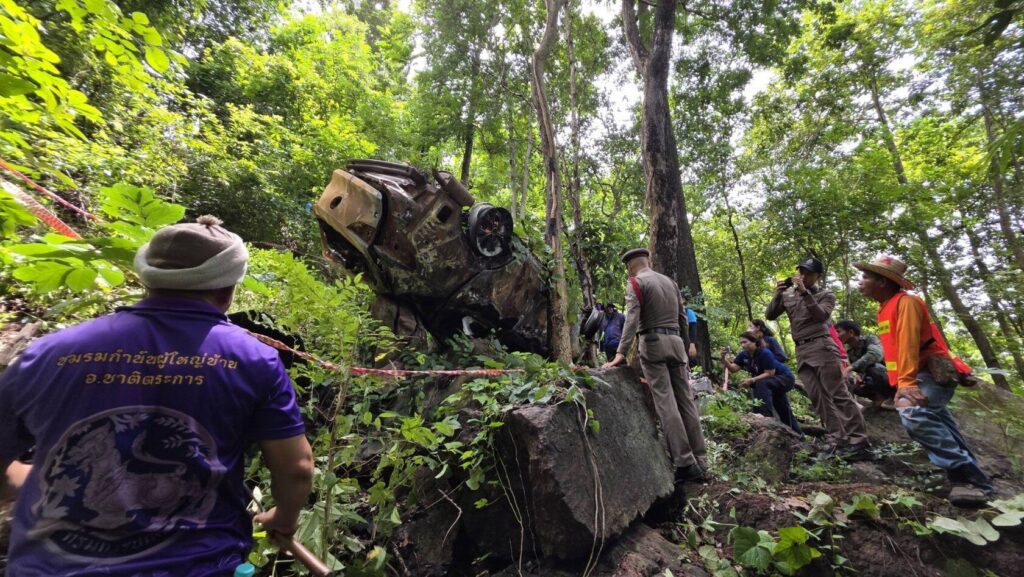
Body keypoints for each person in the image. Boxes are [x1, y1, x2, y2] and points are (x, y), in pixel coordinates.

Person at [0, 216, 315, 574]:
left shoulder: (48, 352)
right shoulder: (253, 359)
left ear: (145, 278)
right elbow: (297, 469)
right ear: (229, 289)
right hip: (195, 565)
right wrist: (284, 519)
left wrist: (23, 479)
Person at [855, 256, 993, 506]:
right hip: (915, 375)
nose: (860, 282)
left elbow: (909, 343)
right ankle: (978, 482)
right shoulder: (885, 305)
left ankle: (962, 475)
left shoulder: (906, 302)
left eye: (865, 277)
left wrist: (907, 384)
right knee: (941, 421)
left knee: (913, 412)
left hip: (928, 372)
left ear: (883, 282)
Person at [602, 248, 707, 483]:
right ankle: (701, 460)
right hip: (676, 344)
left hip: (652, 344)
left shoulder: (636, 282)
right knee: (686, 401)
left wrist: (620, 352)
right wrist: (685, 346)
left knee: (665, 402)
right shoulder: (670, 282)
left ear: (629, 266)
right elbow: (682, 318)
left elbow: (631, 319)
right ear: (648, 260)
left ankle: (684, 462)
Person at [766, 257, 870, 460]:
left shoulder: (826, 295)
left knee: (838, 394)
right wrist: (777, 295)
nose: (803, 276)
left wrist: (805, 293)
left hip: (822, 346)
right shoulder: (789, 296)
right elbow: (770, 316)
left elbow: (821, 316)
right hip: (802, 350)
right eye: (801, 272)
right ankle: (837, 439)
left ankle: (859, 440)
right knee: (818, 398)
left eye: (808, 273)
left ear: (817, 276)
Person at [720, 332, 802, 434]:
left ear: (755, 342)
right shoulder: (743, 355)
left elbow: (770, 373)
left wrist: (752, 380)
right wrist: (723, 358)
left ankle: (765, 420)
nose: (743, 345)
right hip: (771, 383)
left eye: (745, 342)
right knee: (782, 407)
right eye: (741, 343)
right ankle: (798, 434)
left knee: (760, 384)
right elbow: (733, 368)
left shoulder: (765, 353)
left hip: (784, 378)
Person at [835, 319, 893, 409]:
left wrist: (850, 368)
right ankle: (878, 399)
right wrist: (858, 377)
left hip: (891, 377)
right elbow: (858, 371)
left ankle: (891, 397)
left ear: (851, 332)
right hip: (872, 380)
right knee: (851, 382)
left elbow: (876, 354)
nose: (837, 336)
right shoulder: (850, 352)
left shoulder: (870, 339)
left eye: (838, 332)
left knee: (874, 368)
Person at [680, 293, 700, 363]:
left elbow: (693, 329)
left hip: (686, 342)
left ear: (684, 300)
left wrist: (692, 344)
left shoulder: (689, 312)